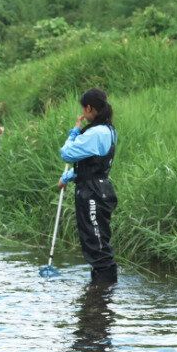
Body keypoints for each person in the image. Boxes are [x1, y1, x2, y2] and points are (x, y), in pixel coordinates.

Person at [58, 88, 118, 284]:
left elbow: (67, 153)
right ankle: (98, 294)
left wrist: (75, 129)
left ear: (89, 108)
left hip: (93, 192)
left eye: (83, 110)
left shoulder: (95, 133)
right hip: (99, 187)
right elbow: (93, 165)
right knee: (95, 242)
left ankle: (102, 297)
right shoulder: (107, 129)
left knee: (97, 245)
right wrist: (67, 177)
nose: (82, 114)